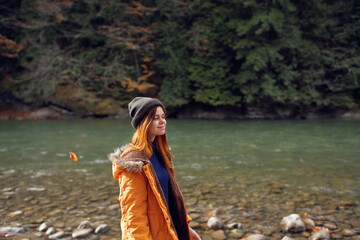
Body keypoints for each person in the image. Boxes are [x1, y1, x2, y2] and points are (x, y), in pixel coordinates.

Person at [109, 97, 201, 240]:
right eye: (156, 118)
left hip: (170, 231)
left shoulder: (161, 154)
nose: (162, 121)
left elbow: (170, 197)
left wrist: (185, 227)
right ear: (143, 122)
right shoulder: (133, 163)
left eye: (163, 117)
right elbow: (133, 215)